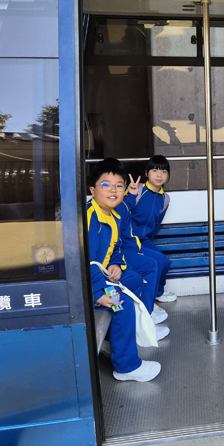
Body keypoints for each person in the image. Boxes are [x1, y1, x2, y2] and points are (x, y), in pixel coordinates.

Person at [87, 159, 161, 382]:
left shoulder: (113, 215)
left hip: (103, 275)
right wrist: (97, 293)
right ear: (93, 190)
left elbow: (116, 248)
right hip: (89, 285)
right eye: (106, 185)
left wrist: (116, 265)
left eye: (119, 185)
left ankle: (114, 341)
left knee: (135, 280)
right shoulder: (91, 218)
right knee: (122, 302)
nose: (113, 190)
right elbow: (85, 262)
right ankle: (126, 366)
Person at [124, 155, 177, 303]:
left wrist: (148, 243)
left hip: (144, 241)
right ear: (146, 173)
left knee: (164, 262)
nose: (159, 175)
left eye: (164, 171)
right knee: (156, 260)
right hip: (129, 240)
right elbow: (122, 213)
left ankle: (158, 293)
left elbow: (156, 224)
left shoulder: (165, 199)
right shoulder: (138, 191)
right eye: (155, 170)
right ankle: (149, 300)